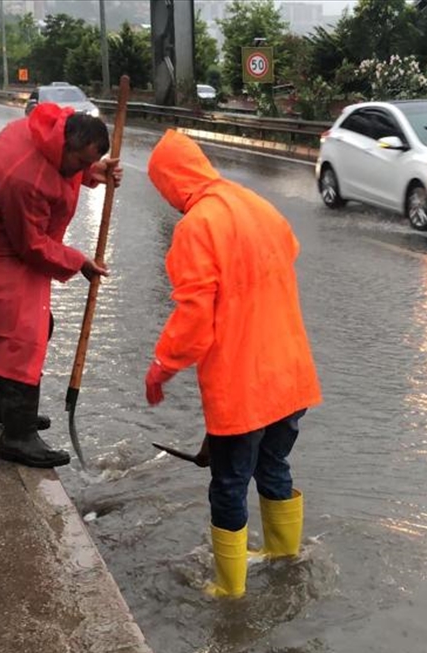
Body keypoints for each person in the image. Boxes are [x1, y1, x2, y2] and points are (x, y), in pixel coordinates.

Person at [144, 129, 321, 599]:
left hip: (243, 386)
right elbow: (289, 253)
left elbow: (195, 318)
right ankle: (285, 558)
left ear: (170, 182)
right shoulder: (255, 203)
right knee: (274, 464)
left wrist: (163, 363)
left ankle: (229, 587)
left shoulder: (196, 226)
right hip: (290, 373)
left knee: (228, 482)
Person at [0, 102, 121, 468]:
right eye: (79, 162)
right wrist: (79, 261)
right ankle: (18, 437)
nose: (78, 171)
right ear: (64, 144)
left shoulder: (48, 134)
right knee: (22, 332)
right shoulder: (24, 178)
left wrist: (92, 172)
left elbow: (61, 172)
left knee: (27, 326)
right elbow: (31, 245)